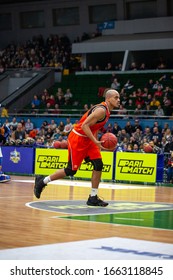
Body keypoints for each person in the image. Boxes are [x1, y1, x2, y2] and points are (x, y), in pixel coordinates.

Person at [34, 89, 120, 206]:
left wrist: (95, 143)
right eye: (116, 97)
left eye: (119, 98)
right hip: (78, 138)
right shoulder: (101, 110)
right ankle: (42, 181)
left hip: (88, 139)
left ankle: (93, 197)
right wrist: (95, 140)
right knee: (71, 170)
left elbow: (94, 127)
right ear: (108, 99)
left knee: (98, 165)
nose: (118, 100)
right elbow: (85, 125)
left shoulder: (108, 111)